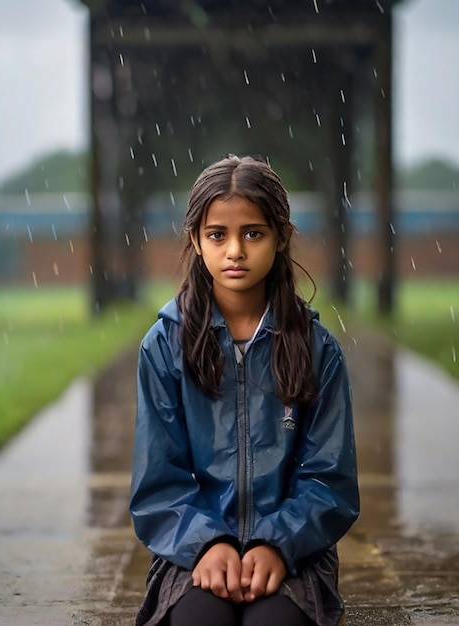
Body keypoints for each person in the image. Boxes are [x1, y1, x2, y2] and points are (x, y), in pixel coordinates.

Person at [129, 154, 359, 626]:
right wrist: (207, 544)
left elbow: (330, 481)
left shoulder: (317, 349)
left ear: (280, 238)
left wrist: (276, 543)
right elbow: (157, 484)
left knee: (274, 622)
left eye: (252, 233)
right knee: (200, 620)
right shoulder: (163, 347)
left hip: (294, 551)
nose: (235, 250)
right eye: (218, 235)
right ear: (195, 239)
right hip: (188, 550)